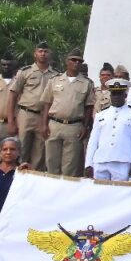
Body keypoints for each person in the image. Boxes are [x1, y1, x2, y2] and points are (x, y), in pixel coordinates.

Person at [40, 48, 95, 176]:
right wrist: (44, 124)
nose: (76, 63)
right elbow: (47, 103)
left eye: (79, 61)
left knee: (70, 166)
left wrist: (85, 126)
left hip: (74, 126)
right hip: (54, 124)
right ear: (67, 61)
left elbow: (89, 107)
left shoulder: (87, 83)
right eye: (73, 60)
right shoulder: (55, 80)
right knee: (51, 162)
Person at [8, 41, 57, 170]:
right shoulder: (25, 72)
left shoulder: (56, 75)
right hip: (26, 114)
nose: (43, 54)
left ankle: (34, 182)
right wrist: (11, 120)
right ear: (35, 54)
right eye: (40, 51)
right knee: (21, 148)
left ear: (50, 54)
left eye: (46, 52)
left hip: (44, 117)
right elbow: (13, 95)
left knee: (39, 152)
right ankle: (16, 179)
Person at [84, 79, 131, 181]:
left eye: (119, 94)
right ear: (110, 95)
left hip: (122, 161)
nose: (116, 97)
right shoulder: (101, 115)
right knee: (99, 193)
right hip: (100, 160)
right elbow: (93, 141)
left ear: (125, 96)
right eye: (114, 94)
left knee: (120, 194)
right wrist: (88, 164)